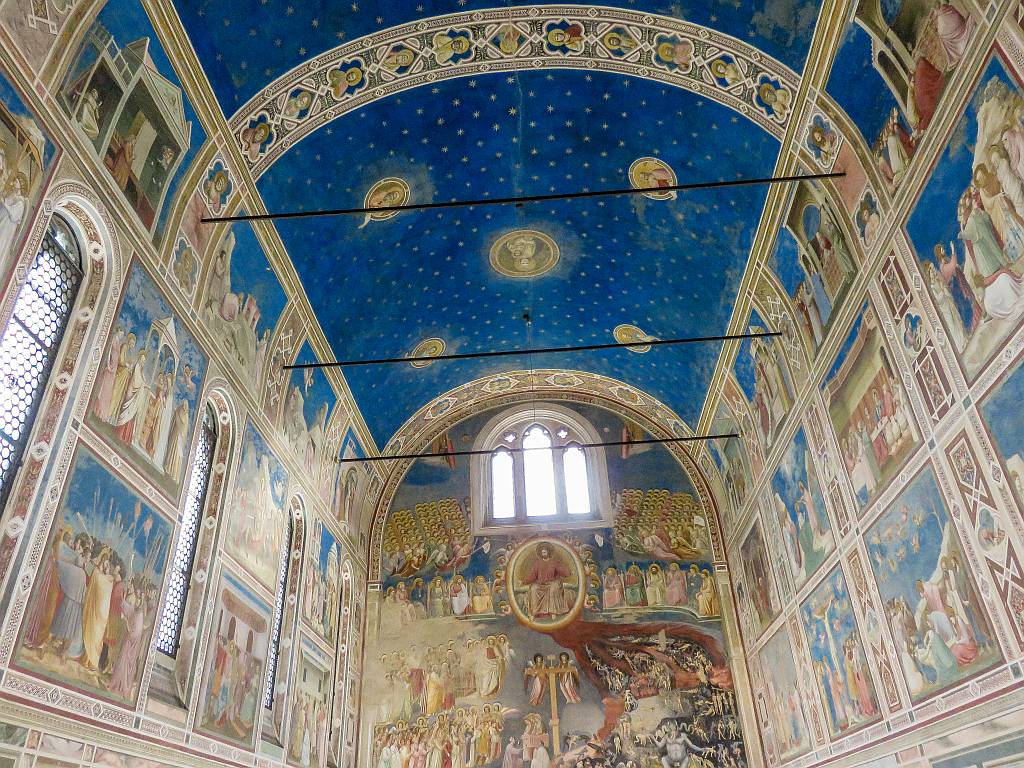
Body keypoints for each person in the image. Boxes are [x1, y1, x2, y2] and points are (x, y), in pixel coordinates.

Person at [520, 544, 571, 619]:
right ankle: (535, 612)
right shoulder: (537, 563)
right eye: (542, 553)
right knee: (534, 588)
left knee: (553, 589)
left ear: (548, 552)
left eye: (545, 552)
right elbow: (532, 575)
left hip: (552, 583)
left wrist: (568, 573)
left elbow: (561, 570)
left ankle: (553, 612)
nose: (543, 554)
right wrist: (523, 582)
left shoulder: (554, 562)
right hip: (540, 584)